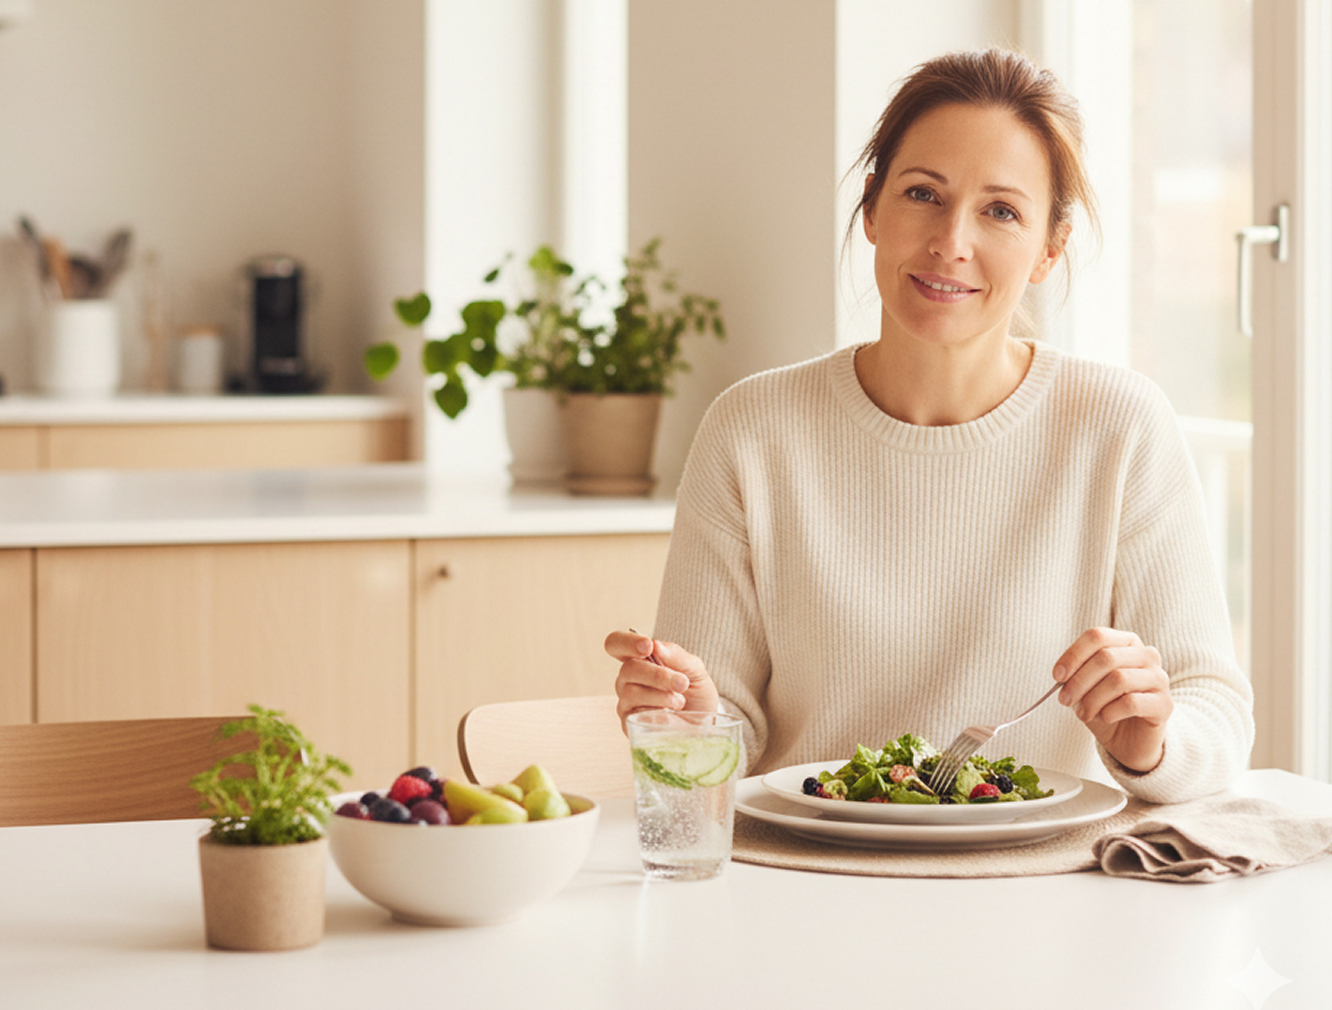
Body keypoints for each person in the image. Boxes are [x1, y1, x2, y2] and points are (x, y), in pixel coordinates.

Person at [605, 47, 1253, 804]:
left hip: (1051, 893)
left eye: (1001, 211)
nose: (952, 241)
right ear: (873, 208)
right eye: (923, 193)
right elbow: (724, 746)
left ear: (1051, 248)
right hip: (809, 881)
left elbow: (1215, 710)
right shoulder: (750, 431)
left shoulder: (1120, 427)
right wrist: (692, 720)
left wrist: (1152, 743)